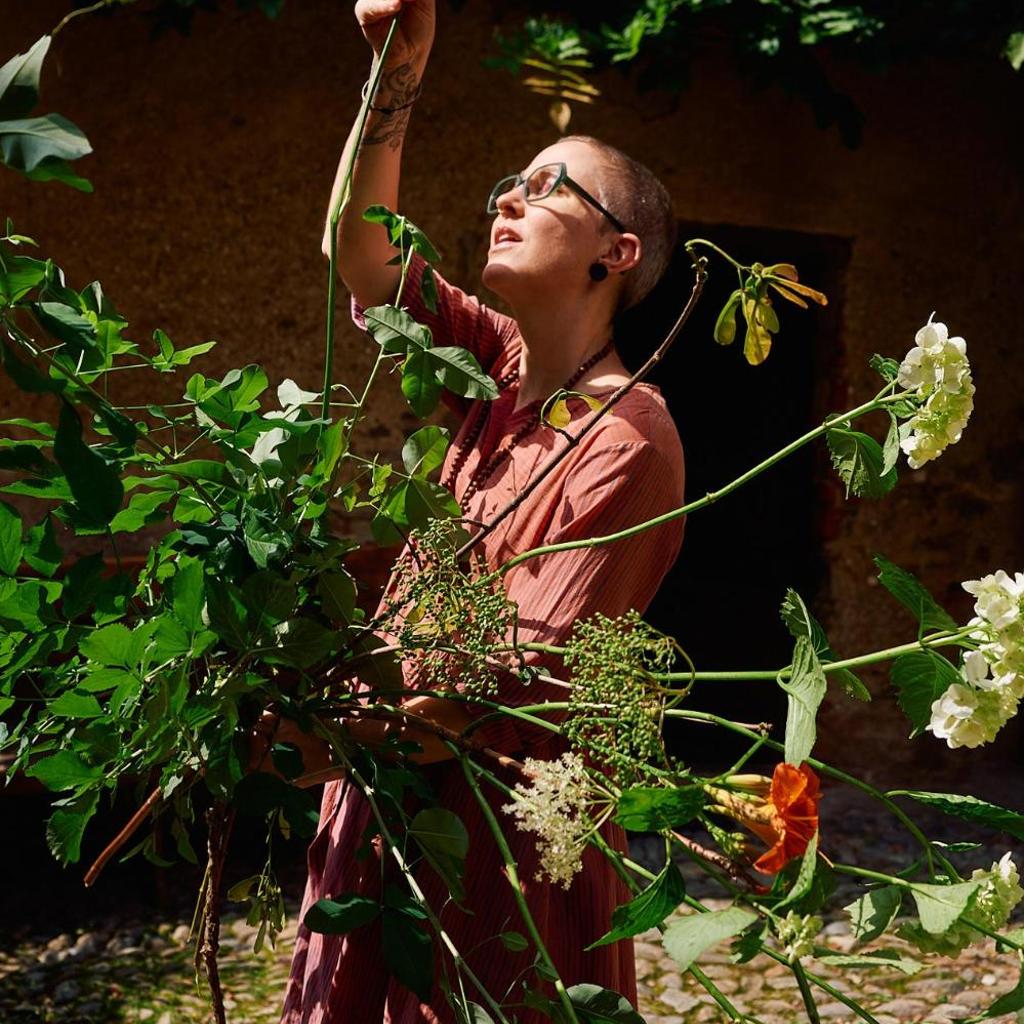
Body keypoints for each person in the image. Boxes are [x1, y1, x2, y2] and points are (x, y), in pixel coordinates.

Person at [280, 1, 686, 1020]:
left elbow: (496, 696)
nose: (508, 195)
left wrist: (308, 742)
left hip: (495, 833)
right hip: (383, 783)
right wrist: (397, 73)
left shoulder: (629, 442)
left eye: (548, 186)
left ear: (616, 251)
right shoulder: (494, 366)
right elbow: (361, 256)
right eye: (510, 180)